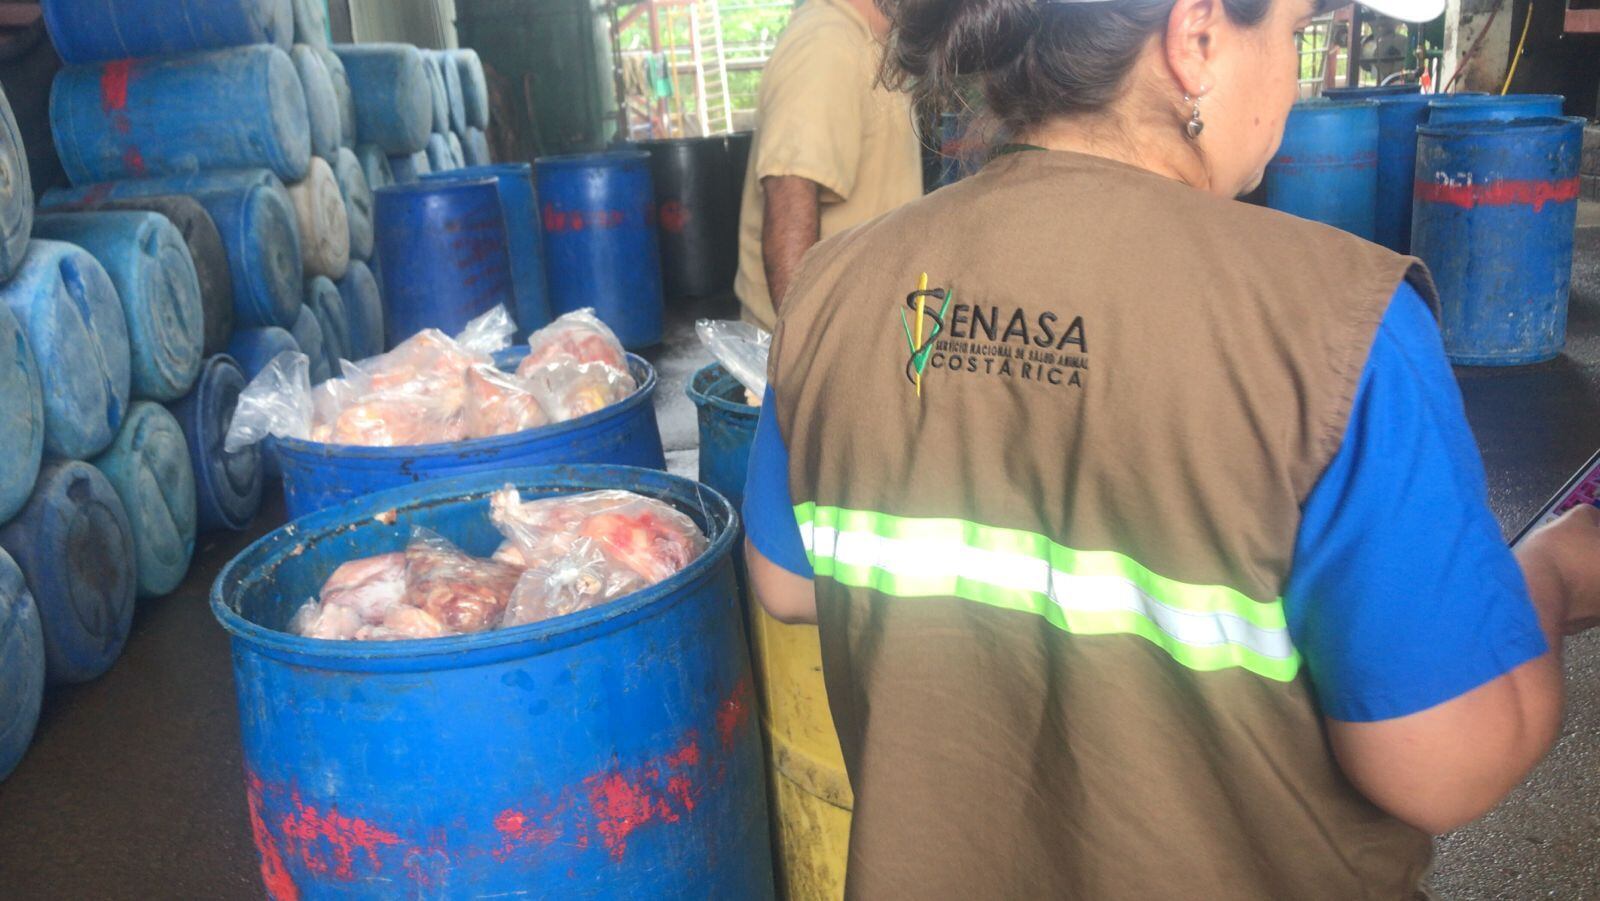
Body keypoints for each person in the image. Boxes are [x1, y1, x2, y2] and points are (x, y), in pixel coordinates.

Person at [738, 0, 1600, 894]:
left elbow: (788, 579)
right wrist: (1552, 574)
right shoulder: (1339, 322)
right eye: (1293, 37)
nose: (1295, 82)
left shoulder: (834, 290)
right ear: (1195, 38)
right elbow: (1447, 760)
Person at [731, 0, 923, 329]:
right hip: (817, 355)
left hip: (858, 336)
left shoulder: (869, 43)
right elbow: (789, 193)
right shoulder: (826, 42)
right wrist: (806, 354)